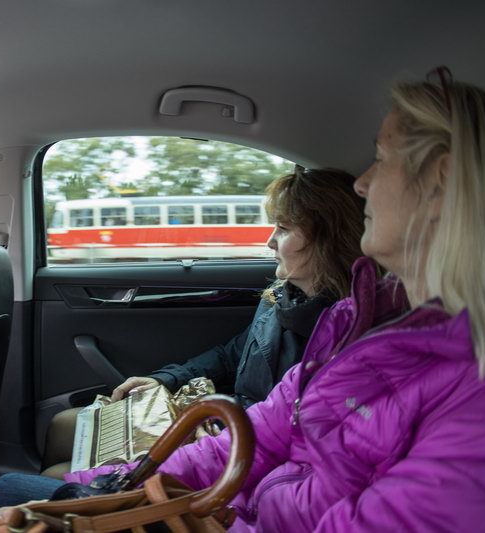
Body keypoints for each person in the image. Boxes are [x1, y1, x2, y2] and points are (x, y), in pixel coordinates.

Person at [0, 69, 485, 531]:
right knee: (28, 494)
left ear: (440, 182)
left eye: (382, 158)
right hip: (235, 500)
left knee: (13, 489)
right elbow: (255, 435)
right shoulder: (354, 324)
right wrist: (108, 495)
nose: (363, 183)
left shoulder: (463, 397)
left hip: (232, 512)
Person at [40, 167, 366, 478]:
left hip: (237, 445)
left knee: (55, 476)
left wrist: (213, 431)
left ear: (328, 239)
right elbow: (230, 356)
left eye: (282, 228)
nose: (269, 242)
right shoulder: (282, 297)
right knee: (61, 426)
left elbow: (291, 432)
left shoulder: (344, 335)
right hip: (221, 422)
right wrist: (165, 381)